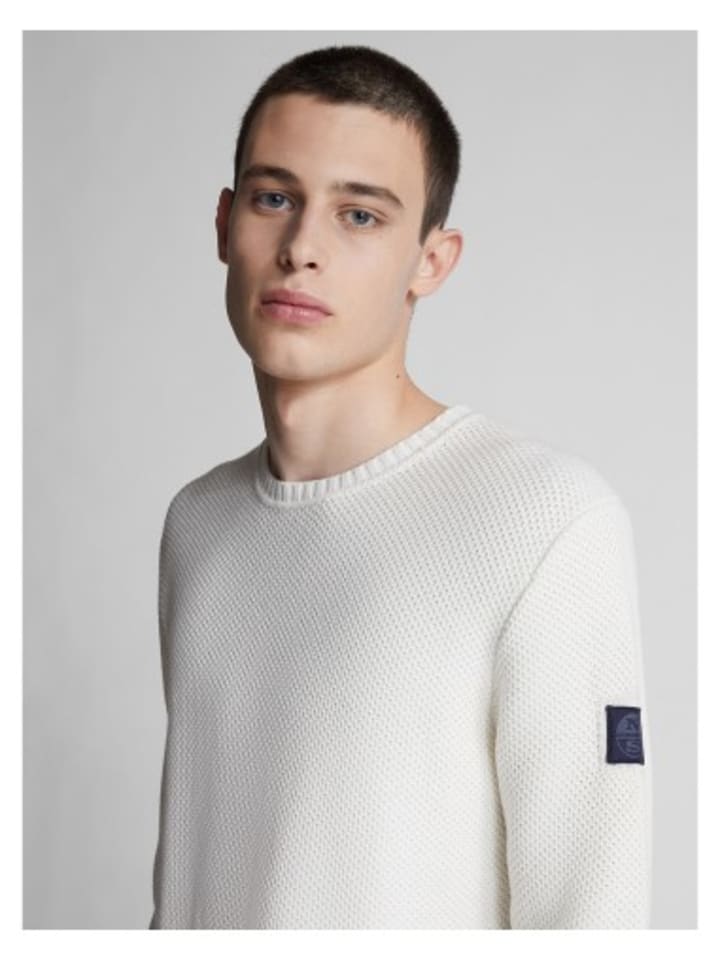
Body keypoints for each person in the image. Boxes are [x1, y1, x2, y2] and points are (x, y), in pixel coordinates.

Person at [148, 44, 652, 930]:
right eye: (275, 199)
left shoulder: (546, 522)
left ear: (432, 261)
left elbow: (593, 920)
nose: (302, 249)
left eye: (360, 216)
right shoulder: (200, 523)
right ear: (225, 224)